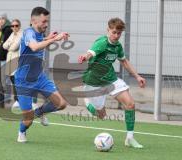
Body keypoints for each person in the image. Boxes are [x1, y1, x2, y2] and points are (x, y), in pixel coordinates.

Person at [78, 17, 146, 149]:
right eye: (113, 32)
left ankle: (130, 138)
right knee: (101, 115)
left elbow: (124, 62)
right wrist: (84, 57)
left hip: (110, 79)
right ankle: (88, 102)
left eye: (119, 33)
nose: (116, 35)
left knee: (130, 104)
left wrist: (137, 77)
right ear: (108, 30)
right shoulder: (102, 43)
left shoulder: (118, 47)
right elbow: (91, 52)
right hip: (94, 82)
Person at [14, 6, 69, 143]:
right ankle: (22, 132)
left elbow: (39, 44)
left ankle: (40, 112)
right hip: (24, 81)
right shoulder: (28, 32)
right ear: (34, 20)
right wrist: (54, 40)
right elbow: (34, 46)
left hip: (39, 78)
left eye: (47, 21)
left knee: (61, 104)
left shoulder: (39, 34)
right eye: (44, 22)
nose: (46, 24)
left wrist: (50, 37)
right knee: (28, 120)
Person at [2, 19, 22, 105]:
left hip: (16, 59)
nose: (14, 27)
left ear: (19, 26)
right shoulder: (12, 34)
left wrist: (10, 44)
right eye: (12, 26)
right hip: (10, 59)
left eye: (16, 25)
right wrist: (10, 44)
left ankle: (18, 99)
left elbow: (14, 47)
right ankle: (17, 99)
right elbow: (4, 45)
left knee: (16, 80)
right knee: (12, 79)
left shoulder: (21, 34)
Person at [0, 12, 13, 106]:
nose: (1, 20)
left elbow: (6, 45)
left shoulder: (7, 30)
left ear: (6, 19)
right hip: (2, 58)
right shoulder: (3, 29)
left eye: (2, 18)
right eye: (0, 18)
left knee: (6, 79)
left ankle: (7, 98)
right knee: (4, 79)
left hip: (7, 58)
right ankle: (5, 97)